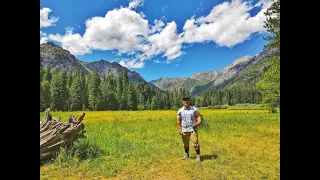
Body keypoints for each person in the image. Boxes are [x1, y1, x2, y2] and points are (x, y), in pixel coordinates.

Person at [177, 96, 202, 163]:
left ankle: (198, 156)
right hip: (184, 129)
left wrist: (199, 121)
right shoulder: (180, 111)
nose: (186, 101)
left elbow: (198, 116)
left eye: (187, 100)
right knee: (185, 144)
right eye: (185, 100)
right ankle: (187, 155)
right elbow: (178, 121)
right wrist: (179, 129)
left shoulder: (194, 109)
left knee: (195, 143)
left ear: (189, 101)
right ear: (183, 102)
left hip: (192, 128)